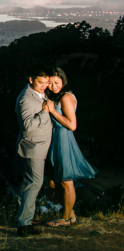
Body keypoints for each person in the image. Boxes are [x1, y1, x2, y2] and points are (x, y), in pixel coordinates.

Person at [43, 67, 98, 227]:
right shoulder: (55, 96)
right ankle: (71, 215)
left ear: (63, 80)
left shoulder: (66, 97)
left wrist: (53, 111)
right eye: (50, 83)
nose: (54, 86)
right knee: (56, 181)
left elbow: (72, 125)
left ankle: (65, 218)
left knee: (66, 181)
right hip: (55, 139)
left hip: (64, 139)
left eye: (57, 82)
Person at [14, 63, 52, 235]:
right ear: (31, 80)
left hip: (37, 146)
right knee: (34, 183)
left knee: (28, 183)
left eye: (46, 83)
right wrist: (44, 112)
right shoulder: (26, 99)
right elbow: (28, 126)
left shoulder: (37, 93)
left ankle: (25, 216)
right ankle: (24, 224)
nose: (44, 86)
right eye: (40, 83)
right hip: (33, 147)